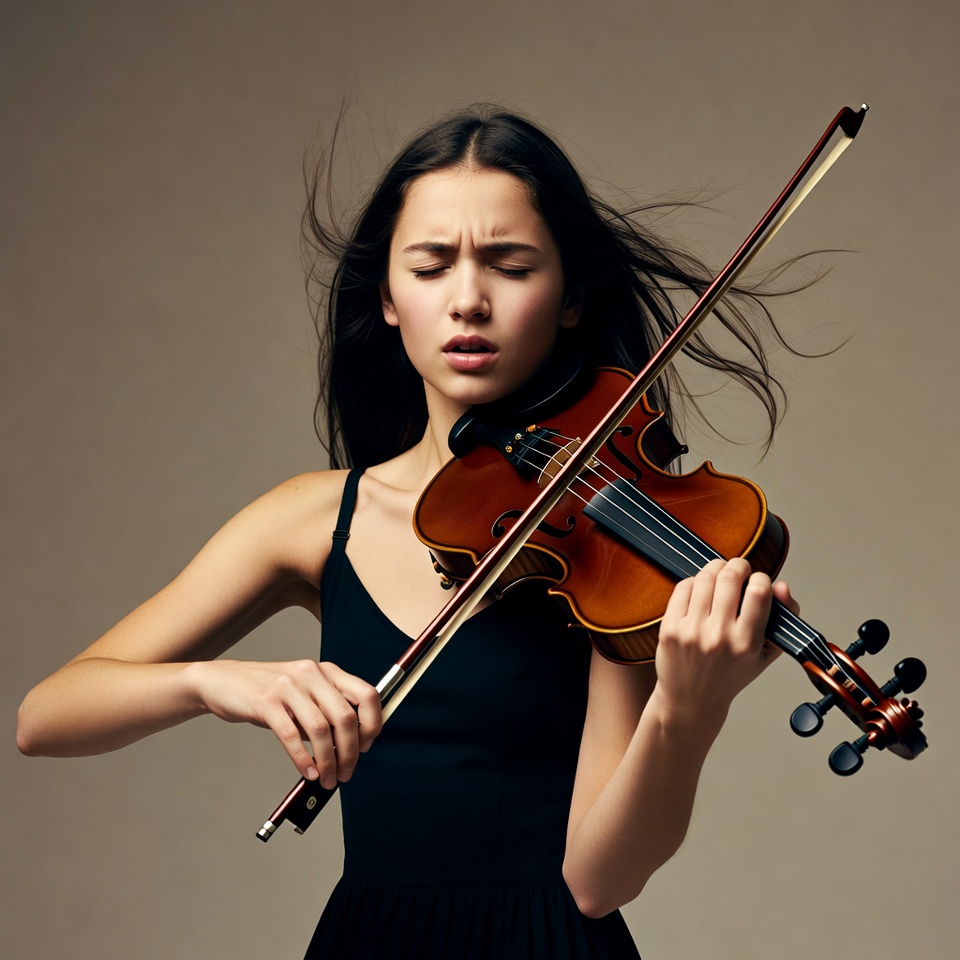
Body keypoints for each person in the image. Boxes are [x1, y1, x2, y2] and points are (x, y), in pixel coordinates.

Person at [18, 106, 799, 959]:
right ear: (388, 298)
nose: (468, 299)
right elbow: (45, 716)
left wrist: (686, 713)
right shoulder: (314, 518)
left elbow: (599, 882)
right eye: (430, 267)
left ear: (571, 297)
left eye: (511, 265)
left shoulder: (607, 541)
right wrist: (216, 685)